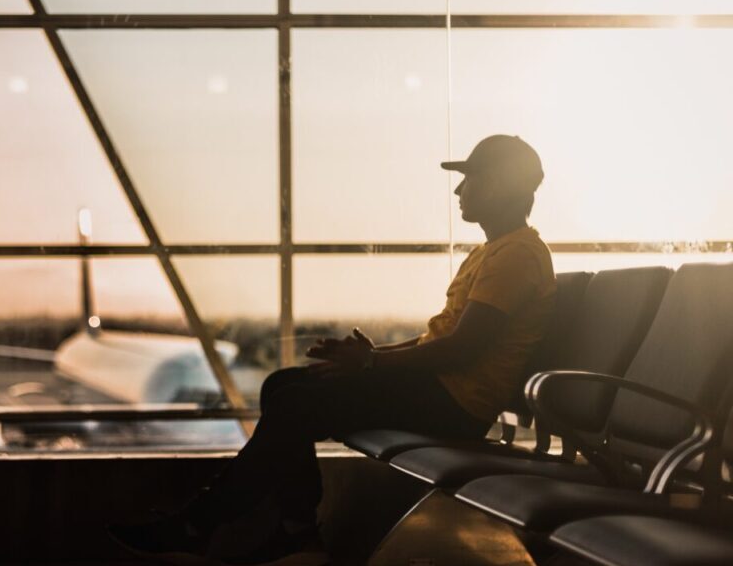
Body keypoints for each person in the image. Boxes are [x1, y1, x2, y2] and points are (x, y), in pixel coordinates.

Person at [108, 135, 557, 565]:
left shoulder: (516, 256)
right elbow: (439, 342)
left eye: (470, 177)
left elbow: (463, 350)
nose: (460, 189)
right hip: (438, 389)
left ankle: (205, 526)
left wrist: (373, 364)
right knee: (283, 384)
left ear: (496, 184)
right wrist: (370, 358)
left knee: (297, 401)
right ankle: (293, 530)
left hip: (455, 405)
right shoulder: (493, 252)